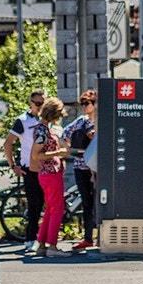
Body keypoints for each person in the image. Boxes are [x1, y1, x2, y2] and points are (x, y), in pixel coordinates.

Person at [3, 89, 46, 254]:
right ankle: (31, 239)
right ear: (30, 103)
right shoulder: (23, 120)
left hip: (47, 167)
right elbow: (8, 143)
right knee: (34, 205)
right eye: (37, 104)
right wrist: (14, 165)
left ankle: (44, 238)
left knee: (47, 204)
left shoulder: (47, 120)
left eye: (43, 103)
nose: (40, 107)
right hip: (30, 168)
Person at [28, 97, 67, 257]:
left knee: (51, 209)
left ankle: (42, 244)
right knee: (57, 209)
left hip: (47, 174)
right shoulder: (43, 130)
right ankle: (52, 246)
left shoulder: (42, 128)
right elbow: (36, 155)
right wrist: (59, 153)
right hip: (50, 174)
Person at [62, 92, 97, 253]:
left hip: (96, 167)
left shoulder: (100, 121)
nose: (84, 106)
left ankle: (97, 235)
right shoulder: (81, 122)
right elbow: (64, 134)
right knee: (87, 202)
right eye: (82, 103)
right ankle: (88, 237)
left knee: (98, 201)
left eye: (87, 103)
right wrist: (71, 149)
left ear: (95, 104)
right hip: (81, 166)